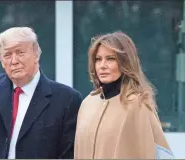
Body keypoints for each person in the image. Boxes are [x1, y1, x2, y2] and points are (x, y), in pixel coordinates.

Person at [0, 27, 83, 159]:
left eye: (20, 52)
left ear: (36, 54)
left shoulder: (66, 99)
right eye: (7, 55)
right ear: (2, 61)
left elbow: (68, 153)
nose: (14, 61)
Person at [74, 31, 174, 159]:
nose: (102, 66)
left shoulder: (136, 105)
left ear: (125, 62)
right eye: (98, 59)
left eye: (110, 59)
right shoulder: (87, 104)